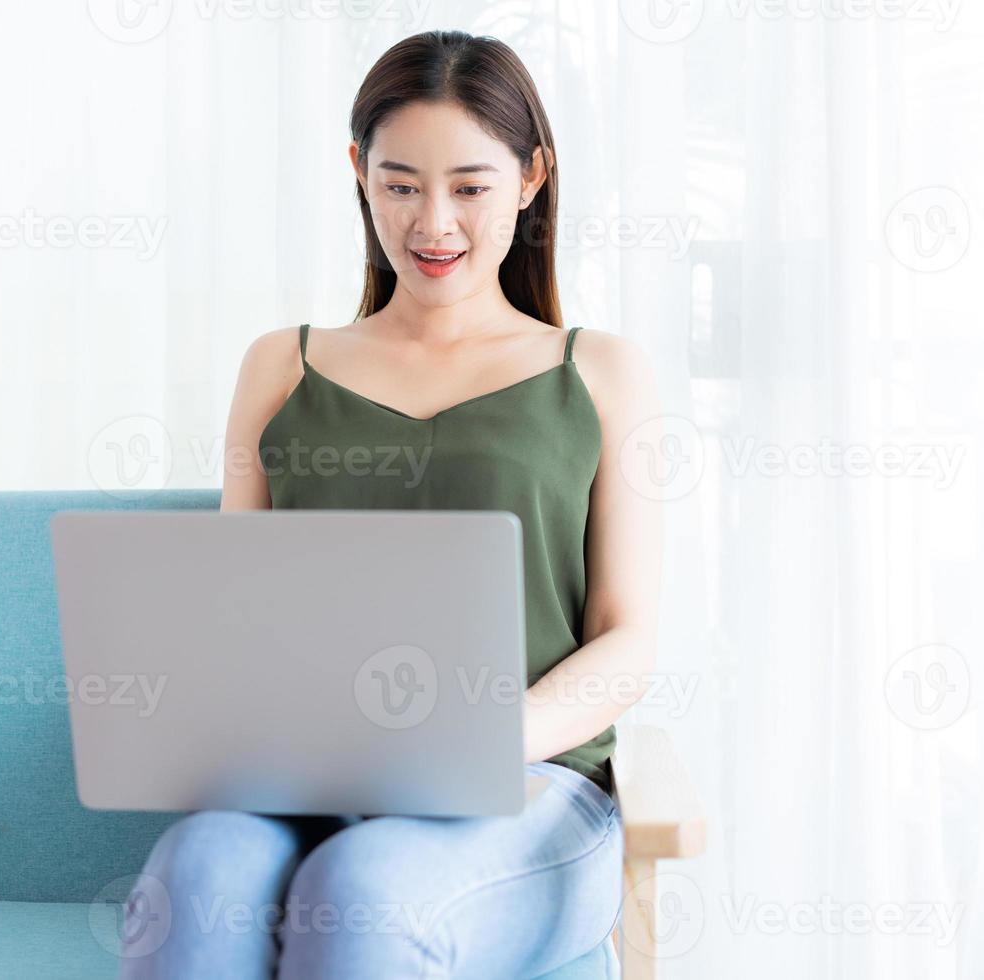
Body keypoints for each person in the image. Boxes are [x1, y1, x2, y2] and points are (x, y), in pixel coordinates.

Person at [120, 28, 664, 979]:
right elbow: (234, 612)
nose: (434, 223)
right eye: (401, 184)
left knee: (363, 892)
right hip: (309, 778)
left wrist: (487, 742)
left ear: (532, 178)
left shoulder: (601, 372)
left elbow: (625, 640)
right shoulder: (281, 367)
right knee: (197, 872)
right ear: (359, 174)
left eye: (471, 186)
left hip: (528, 785)